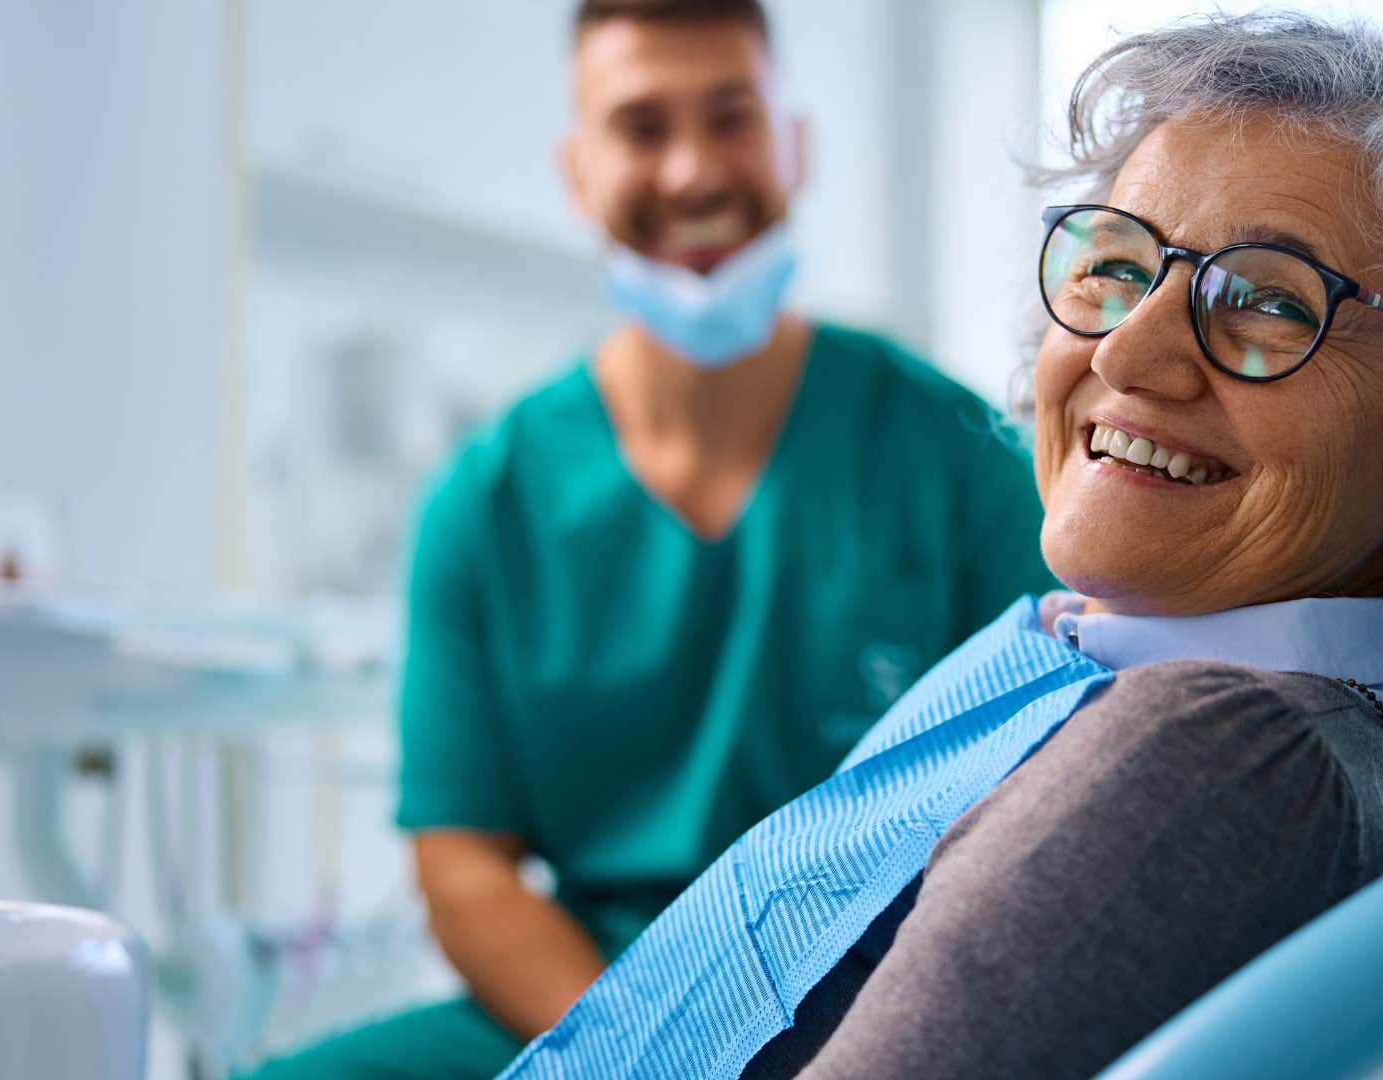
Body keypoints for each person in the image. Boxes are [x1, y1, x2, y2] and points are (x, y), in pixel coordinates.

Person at [498, 12, 1383, 1080]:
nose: (1128, 353)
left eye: (1268, 301)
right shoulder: (1165, 692)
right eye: (1115, 265)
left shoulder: (1223, 755)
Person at [240, 2, 1053, 1077]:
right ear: (577, 171)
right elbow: (464, 865)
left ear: (793, 145)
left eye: (731, 119)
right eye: (641, 128)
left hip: (883, 993)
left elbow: (1048, 793)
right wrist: (640, 1052)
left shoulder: (954, 457)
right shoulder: (486, 506)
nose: (690, 171)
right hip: (587, 998)